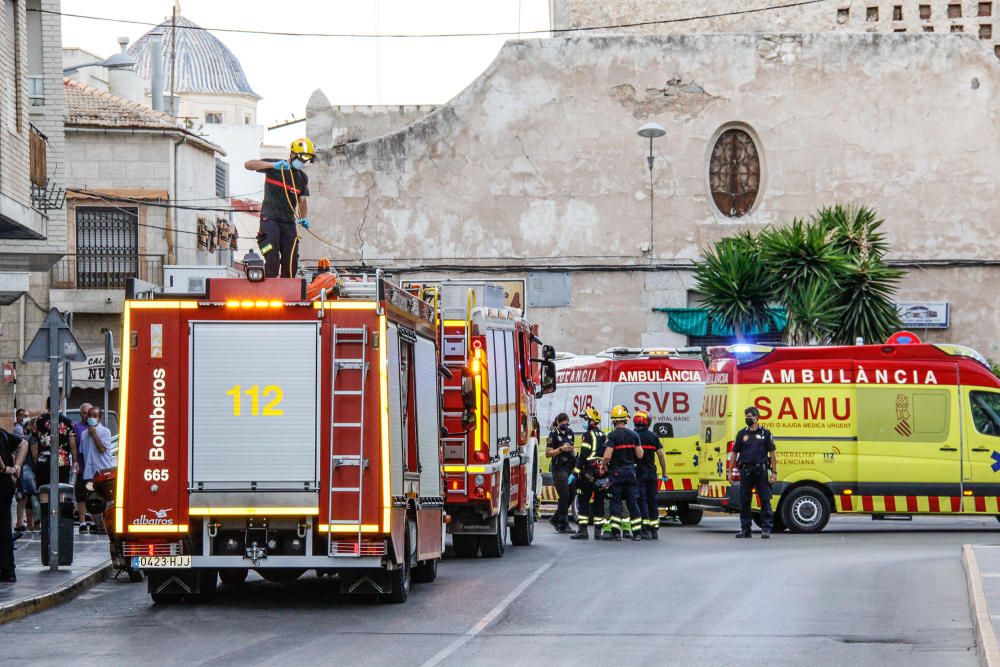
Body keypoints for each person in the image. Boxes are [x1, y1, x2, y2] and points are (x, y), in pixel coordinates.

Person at [244, 137, 316, 278]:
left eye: (306, 160)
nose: (303, 162)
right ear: (292, 154)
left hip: (288, 223)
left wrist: (303, 218)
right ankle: (268, 294)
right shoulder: (275, 166)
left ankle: (288, 296)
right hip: (269, 221)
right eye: (301, 158)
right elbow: (248, 164)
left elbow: (302, 201)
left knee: (291, 263)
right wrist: (272, 166)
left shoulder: (302, 178)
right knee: (272, 262)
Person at [729, 406, 777, 539]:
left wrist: (774, 472)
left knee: (765, 499)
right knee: (744, 501)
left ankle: (766, 528)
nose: (747, 419)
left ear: (757, 417)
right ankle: (745, 529)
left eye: (749, 416)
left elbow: (772, 454)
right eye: (746, 417)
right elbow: (734, 453)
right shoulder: (741, 434)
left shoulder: (765, 433)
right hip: (745, 470)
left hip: (761, 470)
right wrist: (729, 471)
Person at [601, 405, 644, 541]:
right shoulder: (634, 435)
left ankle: (616, 532)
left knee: (615, 502)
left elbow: (607, 455)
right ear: (626, 419)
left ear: (614, 420)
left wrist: (603, 464)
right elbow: (640, 455)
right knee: (632, 502)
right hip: (631, 472)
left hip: (616, 473)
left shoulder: (612, 435)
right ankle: (637, 533)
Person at [570, 407, 607, 540]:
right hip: (602, 471)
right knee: (599, 502)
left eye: (586, 419)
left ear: (592, 421)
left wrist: (575, 473)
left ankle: (583, 530)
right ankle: (598, 532)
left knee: (583, 500)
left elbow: (583, 456)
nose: (584, 421)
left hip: (588, 472)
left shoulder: (587, 435)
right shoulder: (603, 435)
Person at [633, 410, 669, 540]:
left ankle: (645, 529)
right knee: (652, 500)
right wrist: (664, 473)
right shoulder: (653, 436)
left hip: (639, 474)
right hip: (651, 474)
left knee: (642, 501)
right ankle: (654, 530)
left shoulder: (633, 436)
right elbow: (661, 455)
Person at [0, 426, 29, 582]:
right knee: (4, 527)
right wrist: (17, 466)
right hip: (6, 486)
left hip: (2, 479)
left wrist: (5, 469)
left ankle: (7, 569)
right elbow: (23, 444)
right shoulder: (3, 433)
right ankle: (8, 569)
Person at [80, 407, 114, 534]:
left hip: (103, 469)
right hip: (90, 472)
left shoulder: (105, 431)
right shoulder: (84, 434)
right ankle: (97, 524)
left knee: (106, 498)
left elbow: (102, 449)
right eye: (89, 415)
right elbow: (83, 452)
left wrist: (94, 434)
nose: (91, 418)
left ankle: (106, 524)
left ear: (99, 418)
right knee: (92, 499)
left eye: (94, 416)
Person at [545, 413, 576, 534]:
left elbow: (572, 448)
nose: (565, 426)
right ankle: (563, 523)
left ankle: (555, 518)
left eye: (567, 424)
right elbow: (548, 453)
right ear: (558, 423)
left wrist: (575, 457)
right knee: (564, 495)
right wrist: (561, 449)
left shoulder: (570, 433)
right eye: (563, 425)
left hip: (569, 466)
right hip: (558, 467)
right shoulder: (553, 435)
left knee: (572, 494)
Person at [13, 408, 35, 532]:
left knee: (23, 495)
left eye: (27, 415)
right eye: (22, 416)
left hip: (23, 465)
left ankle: (21, 522)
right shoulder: (18, 430)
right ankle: (20, 522)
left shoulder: (22, 429)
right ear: (17, 417)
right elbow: (23, 445)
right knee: (22, 494)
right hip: (22, 465)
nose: (25, 418)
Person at [71, 404, 92, 532]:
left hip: (94, 466)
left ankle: (96, 521)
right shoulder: (76, 427)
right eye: (84, 413)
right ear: (81, 414)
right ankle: (82, 522)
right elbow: (73, 445)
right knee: (81, 495)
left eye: (89, 413)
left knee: (94, 494)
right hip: (82, 466)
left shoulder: (96, 427)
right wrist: (75, 462)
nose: (87, 416)